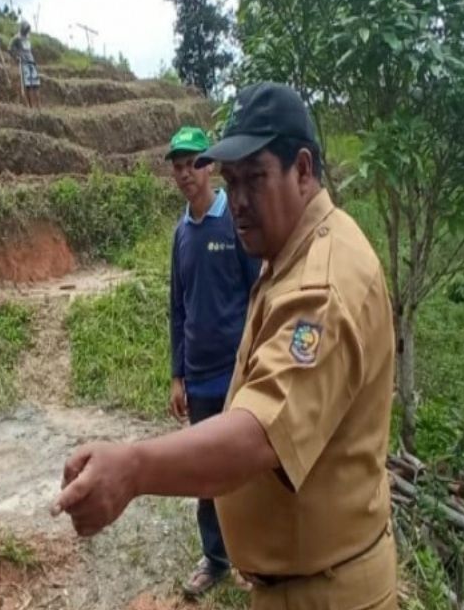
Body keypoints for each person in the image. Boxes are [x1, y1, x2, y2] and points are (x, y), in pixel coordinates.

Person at [53, 83, 398, 610]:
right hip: (299, 584)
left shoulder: (322, 288)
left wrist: (134, 468)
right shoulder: (287, 251)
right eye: (232, 182)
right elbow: (181, 304)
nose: (238, 201)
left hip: (327, 595)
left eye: (254, 179)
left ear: (302, 170)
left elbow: (261, 435)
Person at [165, 125, 261, 598]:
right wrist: (176, 374)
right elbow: (177, 307)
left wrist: (258, 361)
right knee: (206, 472)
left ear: (210, 167)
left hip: (238, 373)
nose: (185, 174)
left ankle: (251, 556)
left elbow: (258, 292)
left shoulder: (234, 223)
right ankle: (216, 557)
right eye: (179, 167)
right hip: (199, 377)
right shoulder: (182, 234)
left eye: (193, 163)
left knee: (241, 469)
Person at [9, 20, 41, 110]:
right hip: (24, 63)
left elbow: (29, 50)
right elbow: (10, 49)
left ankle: (38, 107)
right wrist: (16, 56)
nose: (27, 31)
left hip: (32, 62)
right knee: (29, 86)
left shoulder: (28, 37)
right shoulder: (17, 38)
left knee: (36, 85)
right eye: (26, 29)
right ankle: (31, 107)